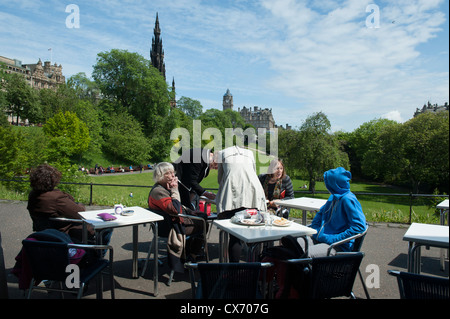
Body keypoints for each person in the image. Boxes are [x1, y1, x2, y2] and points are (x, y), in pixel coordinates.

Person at [148, 162, 207, 273]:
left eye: (173, 172)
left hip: (170, 222)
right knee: (203, 222)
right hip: (168, 227)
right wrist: (175, 189)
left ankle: (189, 253)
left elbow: (179, 206)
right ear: (161, 176)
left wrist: (190, 211)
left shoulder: (164, 188)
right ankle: (191, 255)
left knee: (201, 216)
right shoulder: (158, 191)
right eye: (169, 173)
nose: (173, 176)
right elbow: (175, 209)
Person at [298, 167, 367, 257]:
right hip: (321, 238)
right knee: (294, 244)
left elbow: (359, 227)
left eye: (327, 182)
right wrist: (316, 230)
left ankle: (306, 270)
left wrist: (333, 239)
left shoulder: (348, 199)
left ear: (333, 184)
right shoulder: (333, 197)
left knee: (303, 254)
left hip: (338, 246)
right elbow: (320, 214)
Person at [215, 146, 267, 262]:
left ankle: (234, 270)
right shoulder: (249, 153)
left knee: (234, 236)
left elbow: (220, 178)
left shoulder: (222, 153)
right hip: (253, 193)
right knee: (254, 233)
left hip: (232, 194)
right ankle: (254, 268)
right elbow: (253, 171)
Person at [27, 164, 95, 244]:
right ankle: (96, 253)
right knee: (104, 229)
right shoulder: (56, 198)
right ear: (52, 180)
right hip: (63, 235)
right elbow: (79, 213)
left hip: (43, 232)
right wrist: (80, 204)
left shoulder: (32, 195)